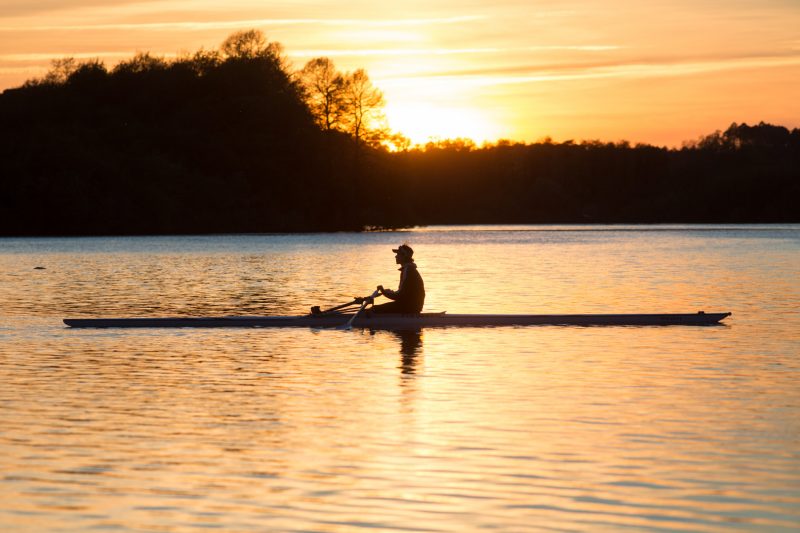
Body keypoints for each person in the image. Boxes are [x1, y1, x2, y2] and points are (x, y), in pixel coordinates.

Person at [370, 244, 425, 315]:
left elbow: (399, 295)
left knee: (374, 309)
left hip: (410, 307)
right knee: (376, 308)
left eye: (398, 254)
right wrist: (386, 292)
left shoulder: (408, 271)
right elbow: (402, 293)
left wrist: (384, 292)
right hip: (411, 305)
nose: (395, 256)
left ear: (404, 256)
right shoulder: (409, 269)